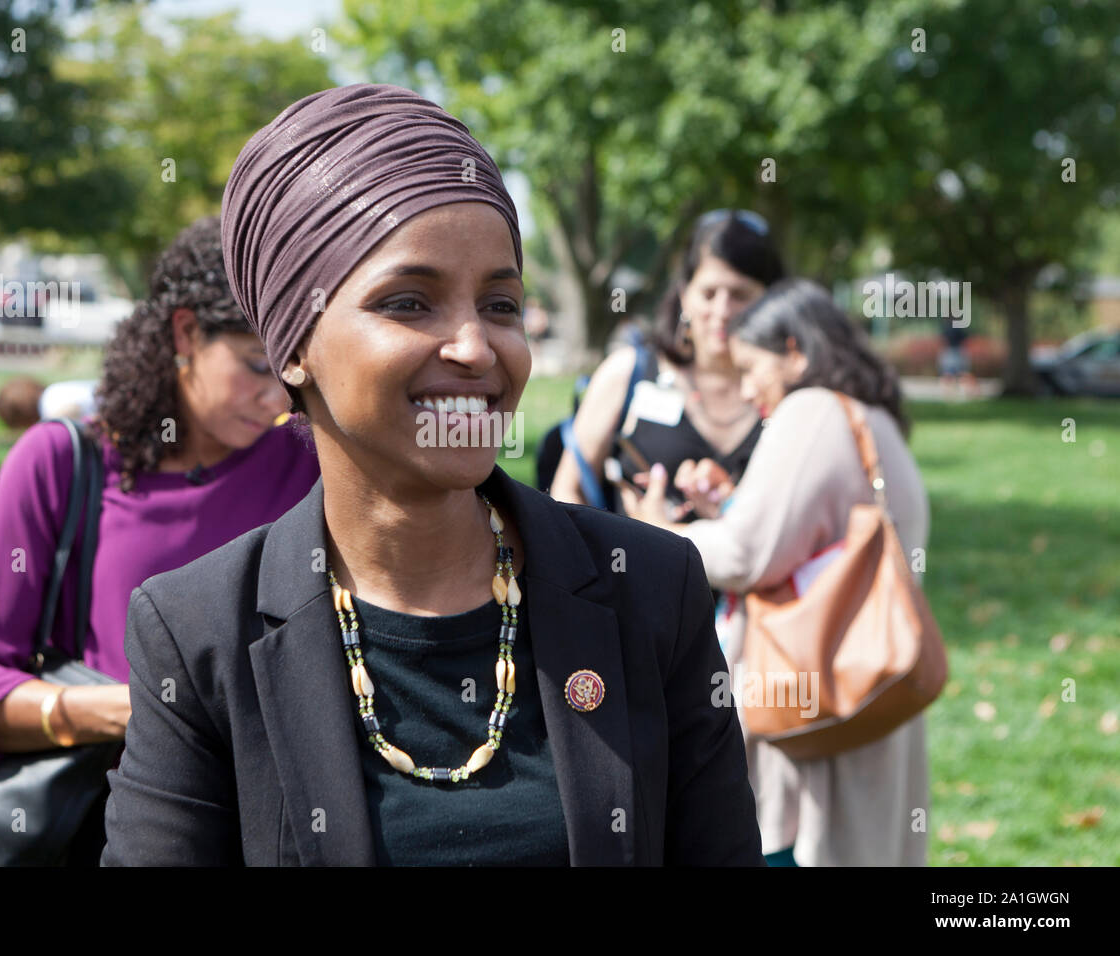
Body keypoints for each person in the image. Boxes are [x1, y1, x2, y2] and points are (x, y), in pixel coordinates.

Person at [101, 84, 763, 867]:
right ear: (293, 347)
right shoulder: (202, 632)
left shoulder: (649, 591)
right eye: (410, 302)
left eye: (502, 304)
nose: (476, 348)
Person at [0, 216, 320, 864]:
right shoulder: (59, 463)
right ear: (187, 332)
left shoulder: (311, 461)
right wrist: (137, 712)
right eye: (256, 365)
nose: (277, 396)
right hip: (112, 826)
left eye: (291, 370)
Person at [622, 278, 931, 867]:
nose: (746, 389)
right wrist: (729, 508)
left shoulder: (810, 409)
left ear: (795, 351)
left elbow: (745, 557)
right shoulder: (874, 417)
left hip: (808, 708)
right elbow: (808, 538)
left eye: (751, 368)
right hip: (863, 689)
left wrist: (656, 530)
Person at [548, 210, 784, 517]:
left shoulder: (793, 388)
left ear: (770, 299)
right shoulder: (627, 372)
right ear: (685, 295)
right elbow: (567, 490)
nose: (723, 310)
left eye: (740, 294)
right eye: (709, 293)